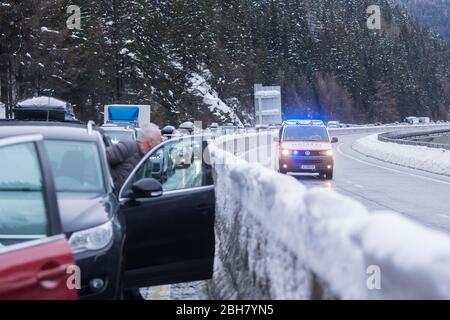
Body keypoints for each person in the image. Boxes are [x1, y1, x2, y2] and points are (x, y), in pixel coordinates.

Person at [106, 123, 161, 192]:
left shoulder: (147, 161)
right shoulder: (127, 147)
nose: (160, 143)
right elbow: (99, 161)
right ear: (150, 142)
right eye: (159, 140)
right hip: (113, 198)